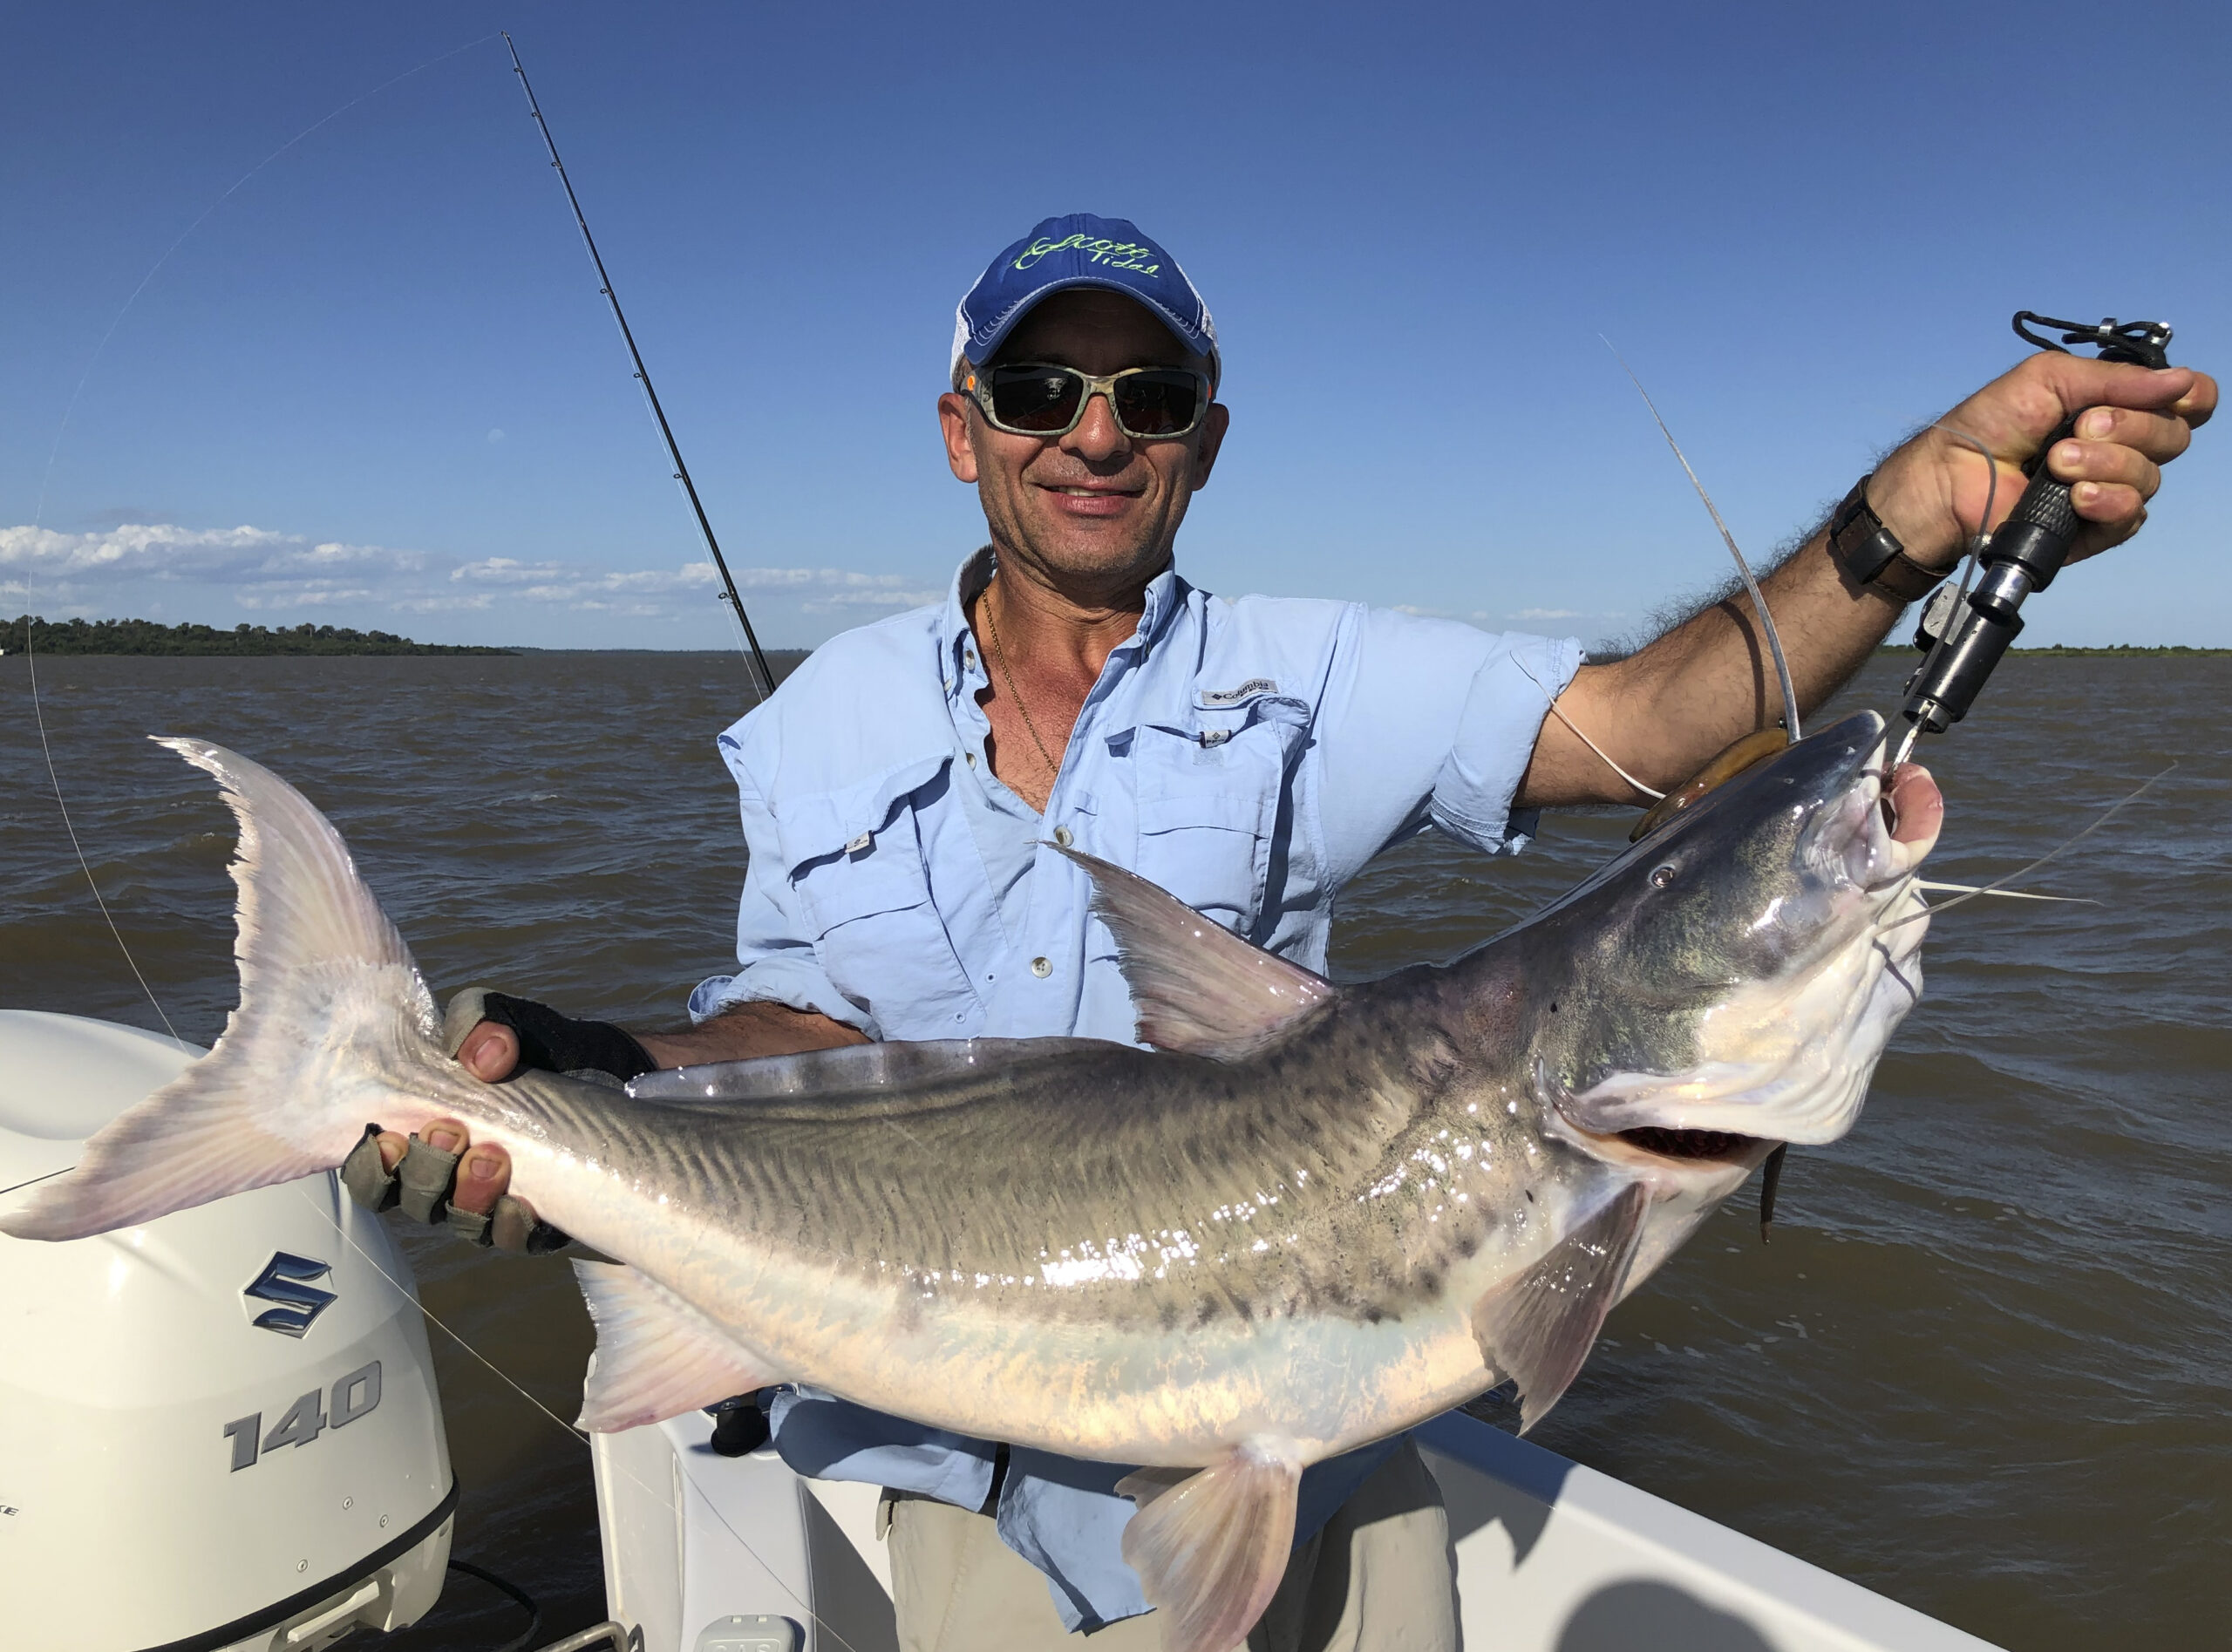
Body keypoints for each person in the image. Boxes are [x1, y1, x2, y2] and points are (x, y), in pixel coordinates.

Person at [348, 214, 2213, 1649]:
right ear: (959, 431)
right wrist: (588, 1077)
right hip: (918, 1452)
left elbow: (1657, 730)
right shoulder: (818, 722)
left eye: (1145, 399)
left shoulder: (1319, 676)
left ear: (1204, 443)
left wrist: (1900, 525)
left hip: (1303, 1484)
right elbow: (812, 1054)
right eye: (1036, 392)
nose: (1092, 436)